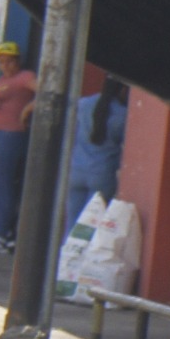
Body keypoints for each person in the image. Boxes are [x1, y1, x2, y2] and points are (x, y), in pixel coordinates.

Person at [64, 74, 130, 234]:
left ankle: (67, 256)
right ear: (122, 89)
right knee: (90, 228)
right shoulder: (122, 115)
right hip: (102, 174)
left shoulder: (85, 104)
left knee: (72, 225)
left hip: (76, 171)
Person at [0, 41, 36, 252]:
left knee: (4, 183)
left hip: (11, 134)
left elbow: (46, 91)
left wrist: (27, 110)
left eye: (9, 61)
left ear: (17, 61)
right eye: (1, 61)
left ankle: (2, 232)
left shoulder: (25, 77)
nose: (5, 65)